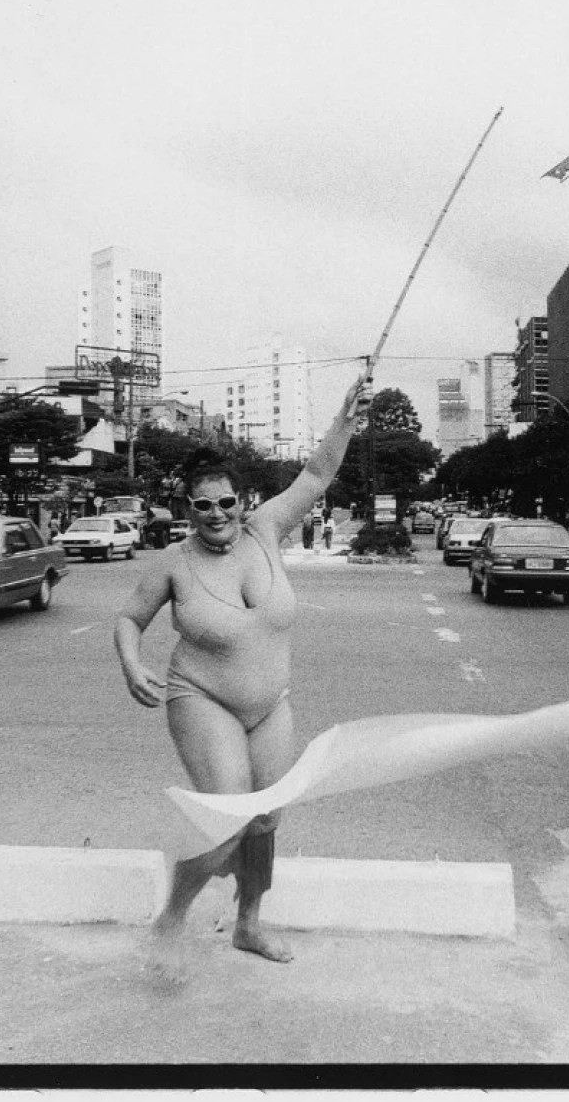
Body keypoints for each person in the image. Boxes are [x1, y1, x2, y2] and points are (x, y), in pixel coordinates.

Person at [115, 374, 369, 980]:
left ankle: (249, 922)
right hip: (201, 696)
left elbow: (315, 476)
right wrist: (131, 664)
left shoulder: (267, 530)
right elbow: (129, 618)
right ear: (188, 509)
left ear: (241, 501)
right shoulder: (174, 562)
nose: (216, 514)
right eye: (202, 505)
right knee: (229, 817)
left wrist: (343, 420)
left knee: (268, 816)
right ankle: (170, 921)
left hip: (269, 702)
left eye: (226, 501)